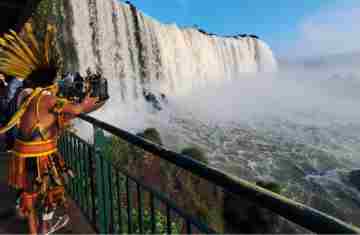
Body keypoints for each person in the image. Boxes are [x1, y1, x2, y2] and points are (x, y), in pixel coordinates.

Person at [0, 23, 106, 234]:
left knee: (29, 194)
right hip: (40, 155)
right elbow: (78, 109)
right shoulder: (47, 98)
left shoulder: (28, 94)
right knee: (50, 192)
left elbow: (54, 115)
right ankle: (44, 226)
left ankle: (34, 230)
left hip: (23, 152)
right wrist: (99, 97)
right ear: (50, 81)